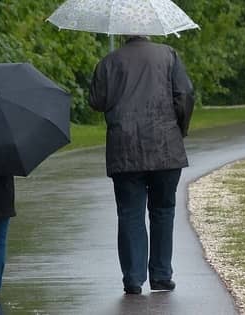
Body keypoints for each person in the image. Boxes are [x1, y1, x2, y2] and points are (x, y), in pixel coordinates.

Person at [88, 35, 195, 295]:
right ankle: (160, 275)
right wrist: (180, 128)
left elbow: (96, 101)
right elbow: (185, 95)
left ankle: (133, 278)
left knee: (129, 213)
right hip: (165, 146)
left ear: (124, 32)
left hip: (124, 149)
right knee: (162, 211)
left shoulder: (108, 62)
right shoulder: (169, 55)